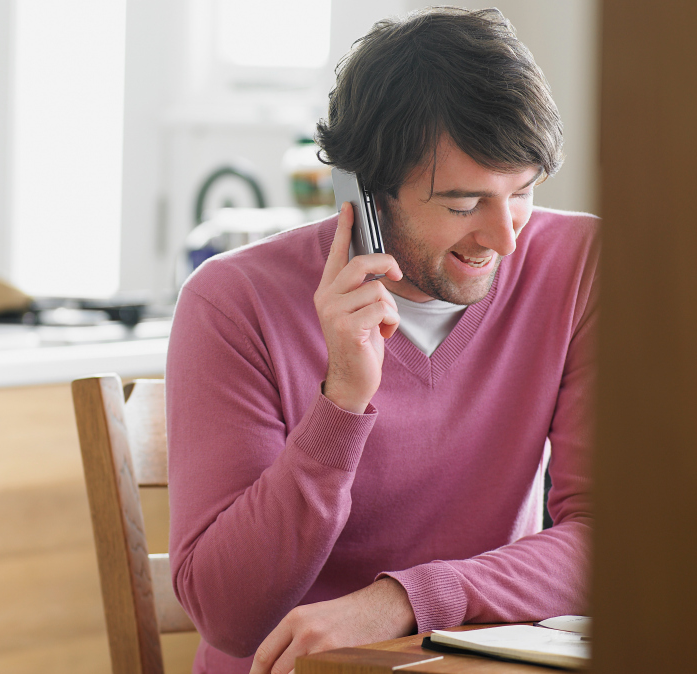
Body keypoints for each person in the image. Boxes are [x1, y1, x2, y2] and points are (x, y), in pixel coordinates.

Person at [165, 7, 596, 674]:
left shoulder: (581, 265)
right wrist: (341, 402)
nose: (504, 239)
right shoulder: (232, 302)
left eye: (522, 193)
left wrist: (404, 600)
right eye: (461, 205)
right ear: (362, 192)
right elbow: (230, 616)